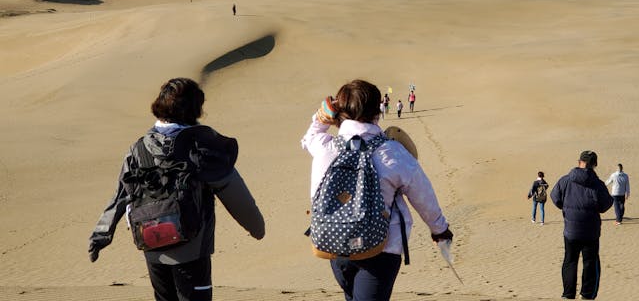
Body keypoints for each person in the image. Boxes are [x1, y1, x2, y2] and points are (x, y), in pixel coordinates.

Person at [89, 78, 265, 301]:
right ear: (194, 108)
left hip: (152, 246)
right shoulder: (200, 146)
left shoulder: (138, 149)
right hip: (192, 250)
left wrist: (101, 233)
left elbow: (121, 196)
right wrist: (257, 228)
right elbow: (231, 189)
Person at [301, 79, 452, 301]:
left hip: (334, 243)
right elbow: (422, 194)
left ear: (339, 111)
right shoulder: (392, 152)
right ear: (377, 111)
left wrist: (322, 116)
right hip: (381, 248)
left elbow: (308, 138)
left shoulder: (325, 146)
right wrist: (439, 229)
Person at [551, 150, 613, 300]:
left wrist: (567, 208)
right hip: (590, 232)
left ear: (579, 162)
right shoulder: (597, 185)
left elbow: (555, 197)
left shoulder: (565, 180)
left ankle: (568, 294)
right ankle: (587, 295)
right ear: (595, 165)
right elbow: (605, 205)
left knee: (570, 261)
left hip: (571, 230)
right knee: (590, 262)